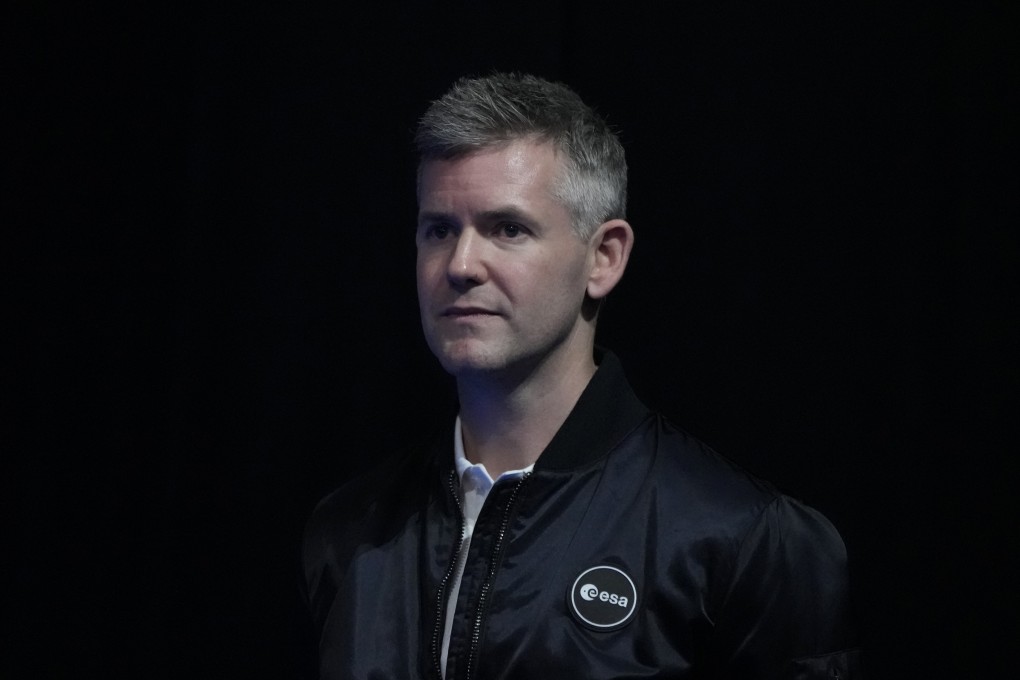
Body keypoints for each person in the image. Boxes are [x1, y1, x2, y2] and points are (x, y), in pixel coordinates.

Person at [301, 72, 862, 679]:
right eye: (439, 229)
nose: (461, 265)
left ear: (604, 257)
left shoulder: (742, 539)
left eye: (507, 229)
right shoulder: (347, 531)